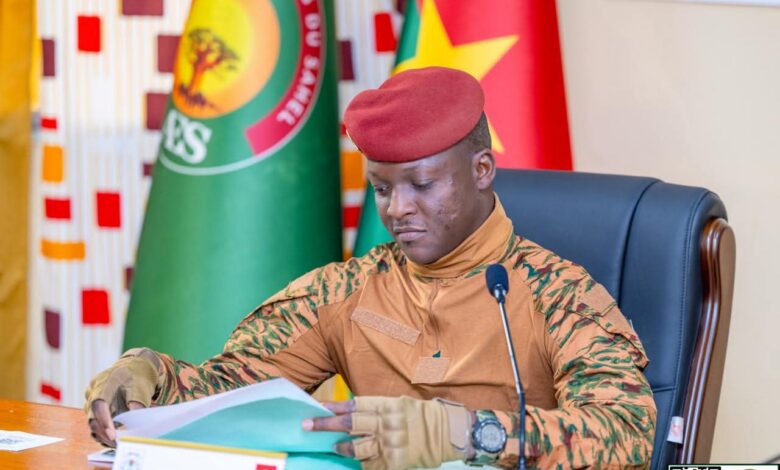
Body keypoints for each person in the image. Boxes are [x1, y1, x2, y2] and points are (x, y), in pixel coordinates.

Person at [85, 66, 656, 469]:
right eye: (382, 189)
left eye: (422, 185)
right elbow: (233, 390)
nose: (398, 210)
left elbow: (629, 432)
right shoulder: (346, 290)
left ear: (482, 170)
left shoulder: (558, 293)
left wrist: (467, 433)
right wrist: (149, 377)